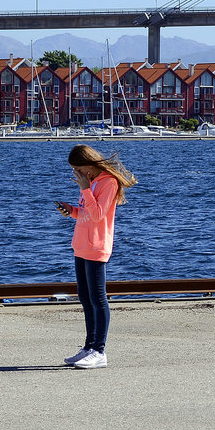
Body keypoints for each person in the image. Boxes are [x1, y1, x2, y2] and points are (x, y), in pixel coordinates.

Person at [55, 144, 138, 369]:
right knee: (85, 297)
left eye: (78, 169)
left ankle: (99, 351)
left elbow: (99, 214)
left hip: (96, 246)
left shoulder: (108, 182)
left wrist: (84, 189)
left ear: (88, 165)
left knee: (98, 298)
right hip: (81, 245)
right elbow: (87, 213)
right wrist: (71, 210)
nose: (76, 174)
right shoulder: (91, 183)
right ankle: (88, 346)